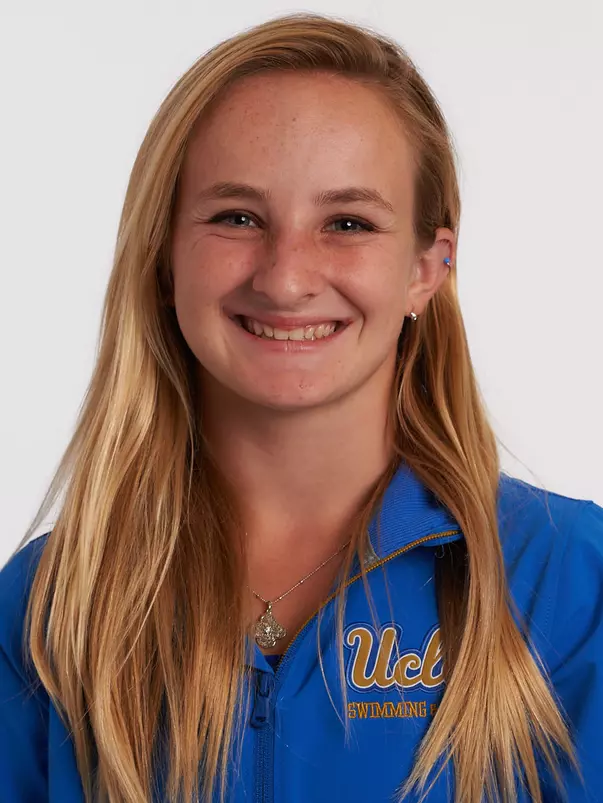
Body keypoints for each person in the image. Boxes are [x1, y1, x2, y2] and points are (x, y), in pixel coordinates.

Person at [1, 10, 602, 803]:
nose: (285, 278)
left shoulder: (568, 580)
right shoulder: (52, 603)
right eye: (236, 217)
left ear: (427, 268)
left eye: (347, 223)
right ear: (165, 259)